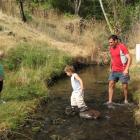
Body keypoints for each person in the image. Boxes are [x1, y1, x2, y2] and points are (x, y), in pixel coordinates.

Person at [107, 35, 132, 105]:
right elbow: (112, 59)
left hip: (123, 70)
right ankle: (110, 101)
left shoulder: (122, 47)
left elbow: (129, 58)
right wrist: (110, 67)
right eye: (109, 42)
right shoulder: (111, 48)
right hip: (114, 70)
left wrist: (126, 69)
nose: (110, 44)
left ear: (116, 41)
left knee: (124, 86)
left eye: (111, 42)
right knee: (111, 84)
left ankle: (126, 100)